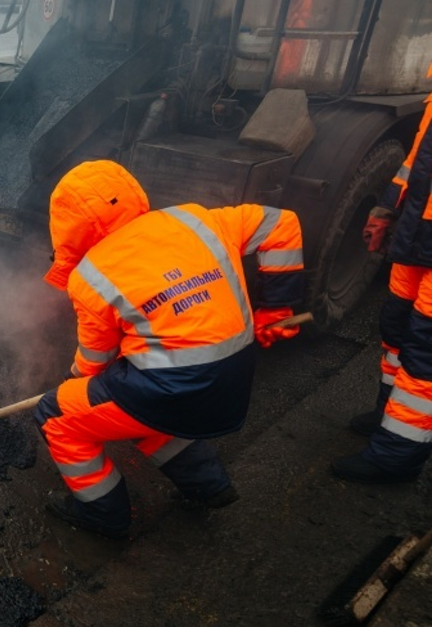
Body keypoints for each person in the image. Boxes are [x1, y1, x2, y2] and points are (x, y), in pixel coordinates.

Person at [29, 160, 305, 539]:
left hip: (175, 390)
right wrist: (276, 305)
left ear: (67, 226)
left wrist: (71, 384)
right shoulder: (195, 219)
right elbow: (281, 224)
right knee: (136, 399)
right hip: (235, 379)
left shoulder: (90, 276)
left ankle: (104, 515)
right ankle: (208, 485)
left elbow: (95, 362)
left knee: (55, 413)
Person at [334, 70, 432, 483]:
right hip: (417, 235)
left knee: (425, 354)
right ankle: (387, 415)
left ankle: (397, 456)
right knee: (396, 328)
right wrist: (387, 209)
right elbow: (417, 160)